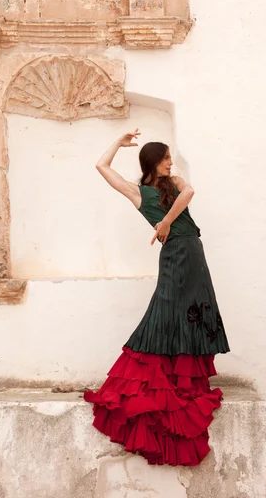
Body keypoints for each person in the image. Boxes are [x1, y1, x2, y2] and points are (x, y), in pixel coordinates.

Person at [84, 128, 230, 466]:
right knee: (165, 310)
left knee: (191, 310)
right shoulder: (138, 193)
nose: (169, 163)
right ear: (152, 161)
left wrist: (165, 220)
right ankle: (152, 377)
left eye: (169, 159)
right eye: (165, 159)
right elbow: (102, 167)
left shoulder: (175, 181)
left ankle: (185, 376)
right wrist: (118, 143)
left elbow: (190, 191)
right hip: (173, 253)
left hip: (192, 250)